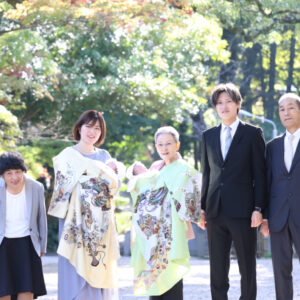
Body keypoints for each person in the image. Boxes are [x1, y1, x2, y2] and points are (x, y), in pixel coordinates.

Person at [199, 83, 266, 300]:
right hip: (214, 210)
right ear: (215, 107)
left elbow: (260, 174)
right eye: (219, 103)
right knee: (217, 268)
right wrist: (202, 208)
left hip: (243, 211)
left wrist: (258, 208)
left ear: (238, 104)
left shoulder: (252, 133)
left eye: (228, 101)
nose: (224, 106)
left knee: (247, 266)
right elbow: (207, 175)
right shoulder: (208, 136)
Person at [48, 110, 124, 300]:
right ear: (79, 128)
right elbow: (62, 189)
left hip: (100, 226)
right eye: (88, 126)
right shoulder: (67, 155)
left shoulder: (105, 155)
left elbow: (113, 186)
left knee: (97, 266)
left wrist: (95, 177)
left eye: (97, 128)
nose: (92, 132)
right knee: (75, 273)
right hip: (74, 223)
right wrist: (94, 178)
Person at [127, 126, 201, 300]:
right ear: (156, 146)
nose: (164, 148)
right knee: (155, 284)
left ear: (177, 145)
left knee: (172, 277)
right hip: (152, 236)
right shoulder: (155, 169)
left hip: (171, 234)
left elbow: (192, 196)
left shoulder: (183, 169)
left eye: (168, 143)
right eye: (160, 144)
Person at [260, 93, 300, 300]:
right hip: (278, 217)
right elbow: (268, 183)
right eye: (282, 109)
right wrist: (265, 216)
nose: (286, 112)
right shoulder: (272, 146)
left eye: (291, 107)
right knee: (280, 271)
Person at [0, 152, 47, 300]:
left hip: (28, 244)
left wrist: (42, 246)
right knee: (3, 292)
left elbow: (42, 218)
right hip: (3, 244)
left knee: (27, 289)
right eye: (9, 173)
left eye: (18, 172)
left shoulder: (36, 187)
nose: (14, 177)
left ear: (23, 171)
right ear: (2, 176)